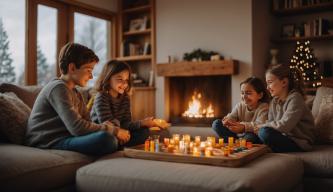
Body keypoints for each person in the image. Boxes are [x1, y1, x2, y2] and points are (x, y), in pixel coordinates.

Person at [25, 42, 127, 156]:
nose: (91, 76)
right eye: (89, 70)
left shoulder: (76, 93)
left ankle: (119, 142)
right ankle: (117, 143)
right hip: (48, 141)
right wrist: (113, 131)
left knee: (133, 133)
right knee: (107, 139)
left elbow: (87, 123)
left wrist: (108, 125)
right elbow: (77, 127)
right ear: (72, 68)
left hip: (68, 136)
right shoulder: (58, 88)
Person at [90, 60, 162, 147]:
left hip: (119, 131)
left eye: (126, 80)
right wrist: (121, 131)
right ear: (108, 79)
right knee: (109, 139)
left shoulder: (125, 98)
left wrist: (143, 123)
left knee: (144, 132)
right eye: (120, 79)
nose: (124, 83)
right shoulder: (101, 97)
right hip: (104, 133)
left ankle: (119, 143)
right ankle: (117, 144)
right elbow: (108, 125)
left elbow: (126, 124)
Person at [259, 64, 315, 152]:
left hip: (299, 142)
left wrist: (262, 126)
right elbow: (271, 122)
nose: (267, 87)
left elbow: (285, 126)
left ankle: (271, 148)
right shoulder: (274, 101)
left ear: (284, 82)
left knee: (264, 132)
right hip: (285, 137)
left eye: (270, 82)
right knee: (253, 135)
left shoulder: (295, 98)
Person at [212, 77, 270, 144]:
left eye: (248, 93)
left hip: (253, 134)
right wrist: (227, 121)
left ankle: (238, 141)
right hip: (238, 134)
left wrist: (243, 127)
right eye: (242, 93)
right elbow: (232, 116)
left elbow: (260, 124)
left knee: (250, 137)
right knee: (216, 123)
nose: (244, 96)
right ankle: (236, 141)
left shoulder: (264, 107)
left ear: (260, 95)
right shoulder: (240, 105)